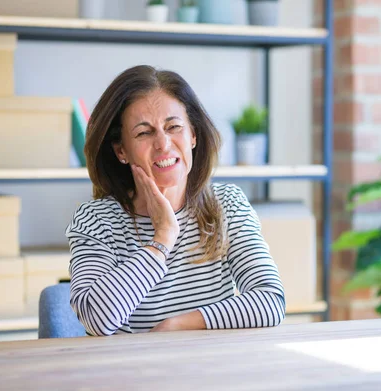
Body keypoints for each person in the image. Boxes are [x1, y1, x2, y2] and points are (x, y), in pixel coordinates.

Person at [65, 65, 286, 336]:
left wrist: (179, 324)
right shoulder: (96, 220)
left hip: (208, 372)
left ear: (193, 135)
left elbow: (270, 301)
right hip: (128, 375)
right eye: (144, 133)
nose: (163, 144)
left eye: (174, 127)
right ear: (121, 150)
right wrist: (162, 240)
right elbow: (97, 320)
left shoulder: (227, 204)